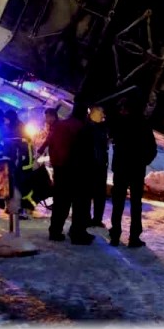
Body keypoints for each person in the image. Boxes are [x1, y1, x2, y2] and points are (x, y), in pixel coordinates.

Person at [108, 102, 158, 248]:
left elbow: (112, 136)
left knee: (118, 203)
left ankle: (115, 235)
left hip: (121, 169)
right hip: (136, 170)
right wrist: (142, 162)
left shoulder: (120, 124)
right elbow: (152, 149)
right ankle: (134, 237)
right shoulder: (144, 126)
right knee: (136, 204)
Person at [45, 102, 94, 244]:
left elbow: (52, 144)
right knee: (80, 203)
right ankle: (78, 233)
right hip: (77, 170)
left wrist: (56, 164)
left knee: (60, 202)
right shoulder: (81, 127)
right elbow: (85, 151)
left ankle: (55, 231)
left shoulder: (60, 125)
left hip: (60, 169)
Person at [87, 106, 109, 228]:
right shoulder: (91, 128)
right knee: (92, 194)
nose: (103, 116)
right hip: (94, 166)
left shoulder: (101, 128)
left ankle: (96, 219)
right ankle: (89, 218)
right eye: (101, 114)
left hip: (99, 165)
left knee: (99, 195)